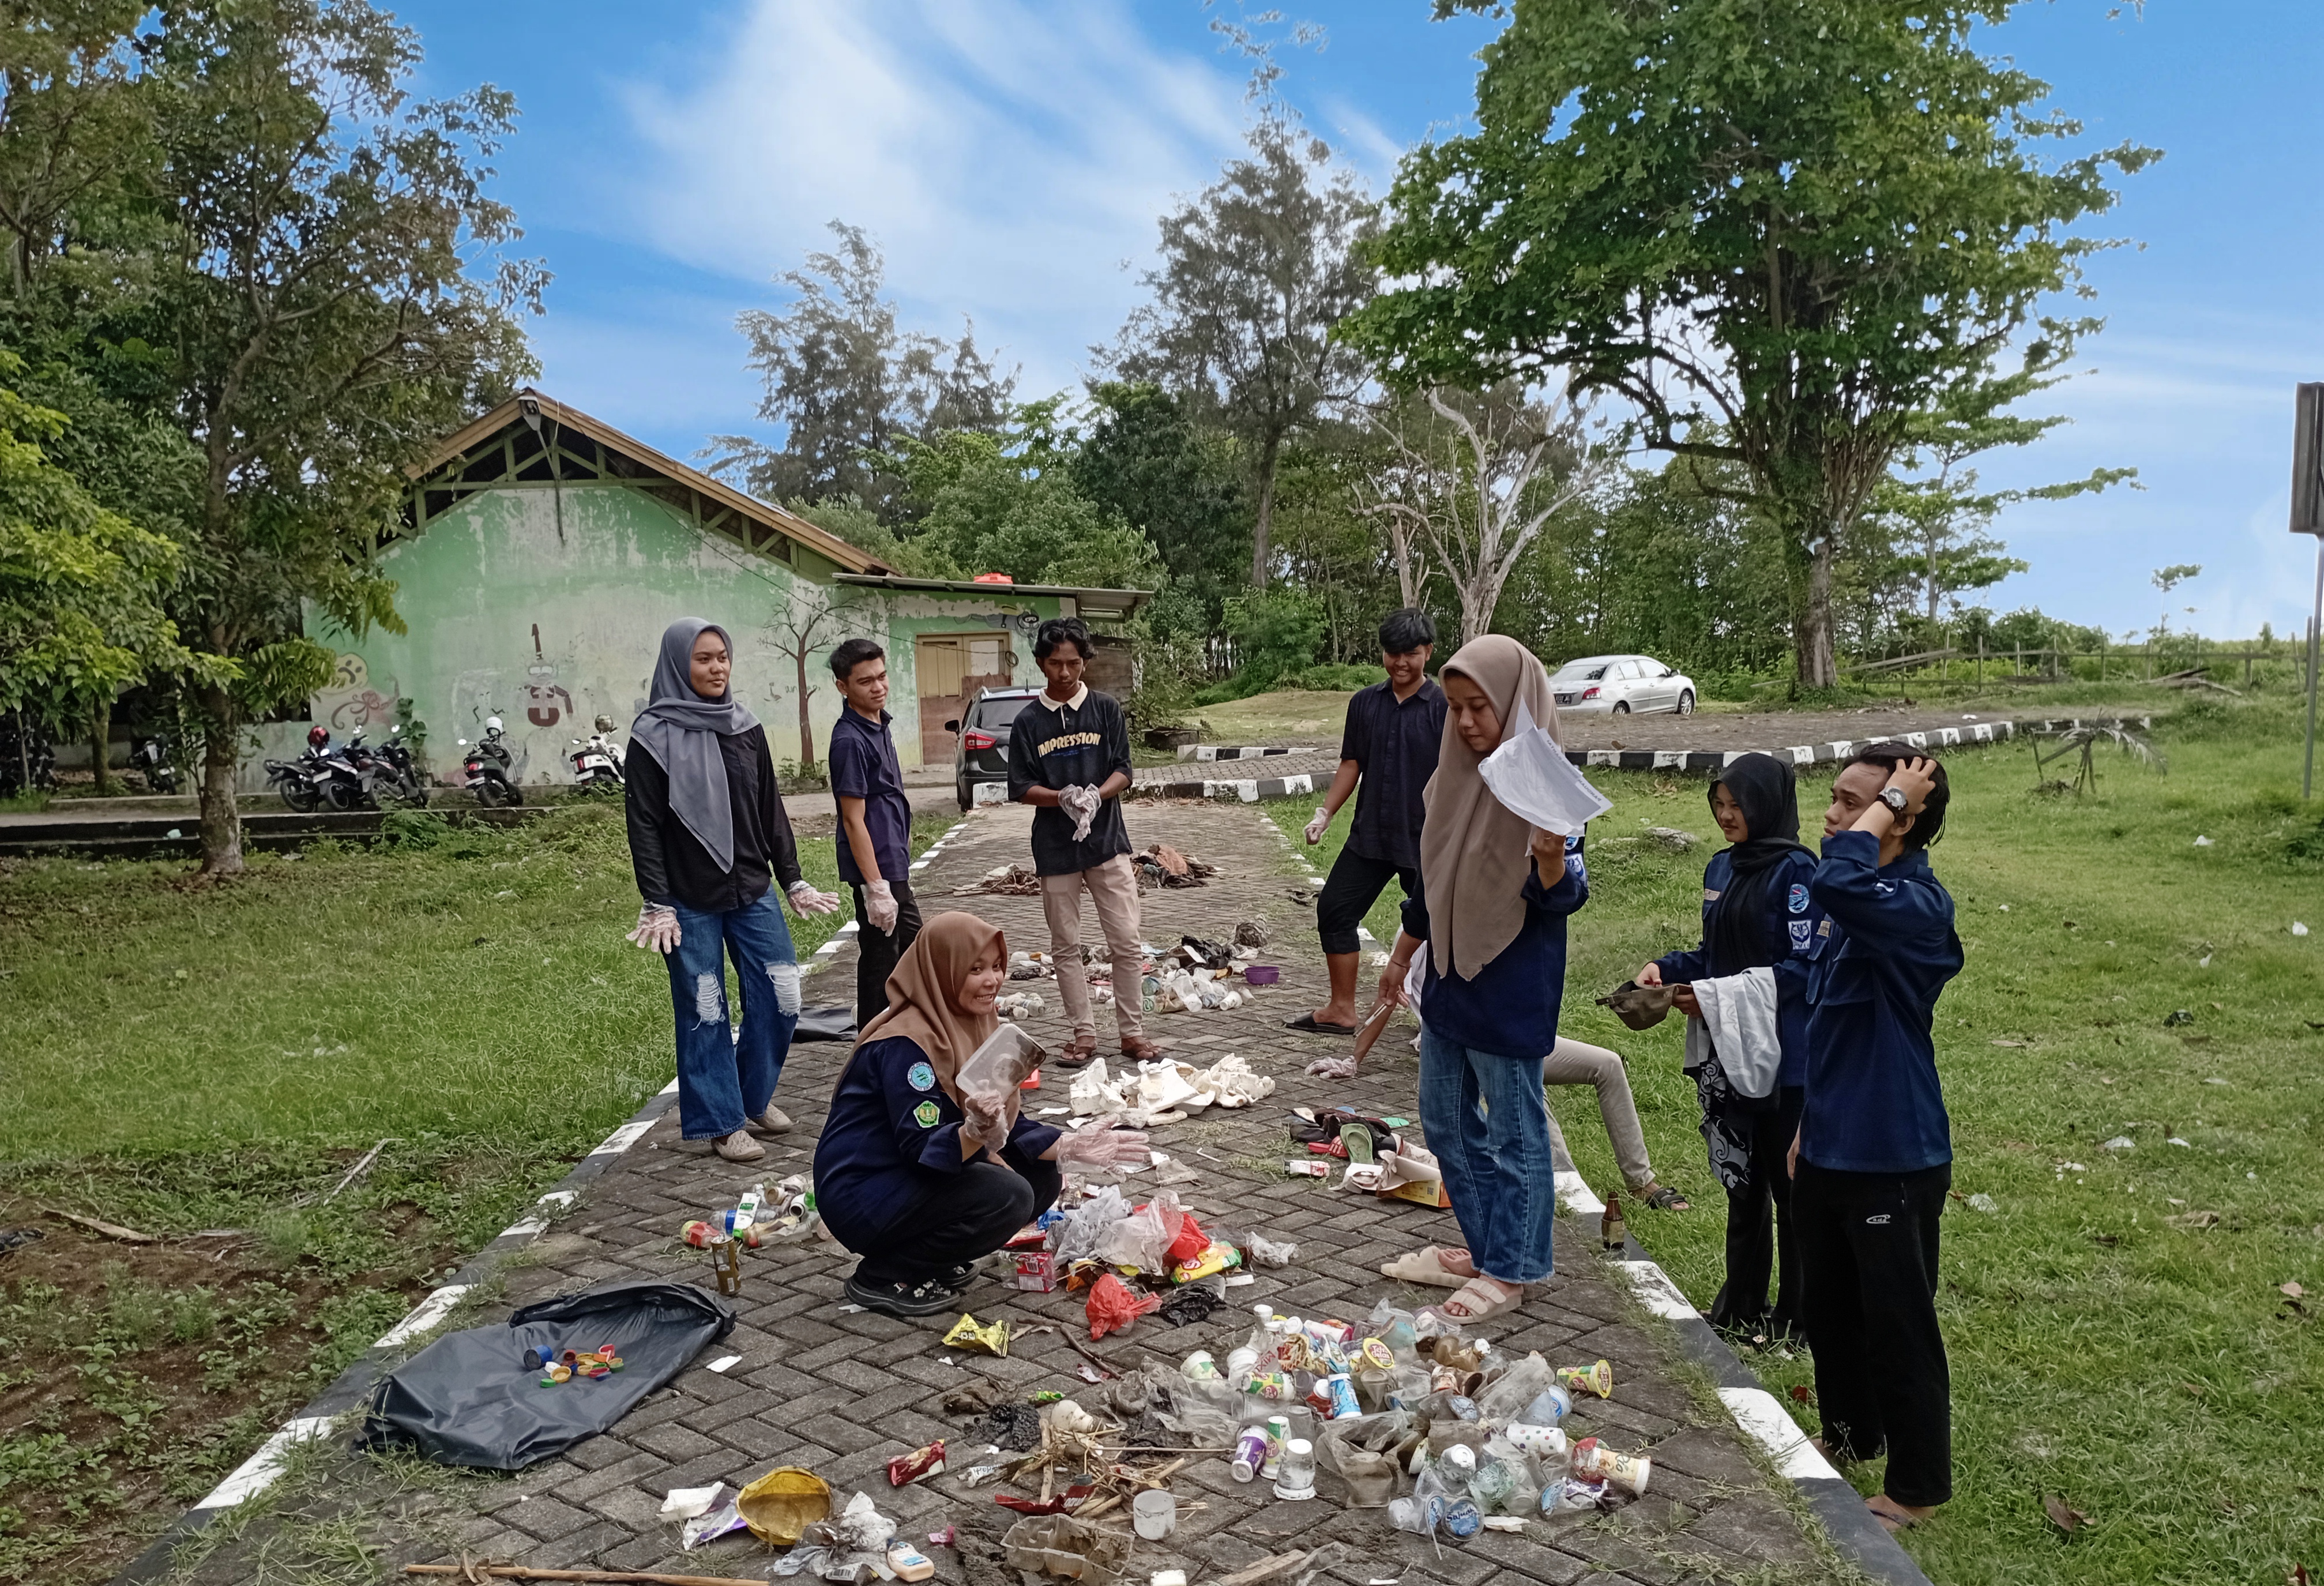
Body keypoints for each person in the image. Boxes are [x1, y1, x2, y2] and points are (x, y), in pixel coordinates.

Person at [1371, 635, 1587, 1325]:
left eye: (1480, 708)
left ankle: (1515, 1268)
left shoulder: (1544, 781)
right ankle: (1489, 1243)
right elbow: (1431, 883)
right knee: (1442, 1118)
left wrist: (1550, 857)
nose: (1464, 722)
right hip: (1449, 976)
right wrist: (1403, 954)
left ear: (1518, 704)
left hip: (1510, 978)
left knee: (1513, 1131)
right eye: (1456, 708)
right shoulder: (1455, 774)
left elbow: (1565, 894)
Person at [814, 912, 1151, 1317]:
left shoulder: (978, 1025)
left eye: (996, 966)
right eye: (975, 969)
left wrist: (1073, 1146)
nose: (992, 980)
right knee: (1005, 1195)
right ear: (943, 969)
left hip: (909, 1177)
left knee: (1042, 1176)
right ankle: (885, 1275)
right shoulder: (905, 1046)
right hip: (866, 1189)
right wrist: (975, 1130)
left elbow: (1007, 1126)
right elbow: (922, 1146)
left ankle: (930, 1256)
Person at [1787, 745, 1960, 1533]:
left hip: (1891, 1150)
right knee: (1828, 1308)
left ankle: (1916, 1486)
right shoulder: (1854, 901)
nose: (1832, 815)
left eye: (1851, 802)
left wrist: (1892, 798)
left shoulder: (1914, 905)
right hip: (1829, 1142)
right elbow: (1829, 1031)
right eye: (1834, 799)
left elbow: (1835, 874)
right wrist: (1805, 1126)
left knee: (1897, 1323)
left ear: (1900, 817)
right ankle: (1850, 1435)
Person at [624, 618, 843, 1163]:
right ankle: (721, 1122)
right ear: (679, 664)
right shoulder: (651, 736)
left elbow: (769, 806)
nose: (717, 667)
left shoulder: (745, 725)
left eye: (723, 656)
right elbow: (644, 825)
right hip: (688, 900)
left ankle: (751, 1097)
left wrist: (791, 876)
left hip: (751, 886)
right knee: (706, 1008)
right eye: (703, 659)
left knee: (784, 994)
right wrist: (657, 901)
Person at [1639, 752, 1818, 1335]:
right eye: (1718, 803)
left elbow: (1801, 968)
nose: (1725, 815)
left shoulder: (1799, 874)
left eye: (1736, 804)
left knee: (1790, 1195)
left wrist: (1714, 994)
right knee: (1742, 1186)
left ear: (1767, 803)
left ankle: (1794, 1316)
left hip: (1783, 1056)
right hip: (1730, 1053)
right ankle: (1740, 1306)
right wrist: (1664, 969)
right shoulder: (1721, 868)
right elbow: (1713, 951)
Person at [1288, 608, 1446, 1036]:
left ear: (1427, 652)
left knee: (1442, 930)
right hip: (1372, 835)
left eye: (1410, 653)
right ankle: (1342, 1009)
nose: (1400, 662)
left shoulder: (1445, 708)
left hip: (1426, 842)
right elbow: (1351, 764)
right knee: (1335, 910)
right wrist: (1325, 813)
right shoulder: (1364, 704)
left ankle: (1441, 1021)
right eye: (1392, 653)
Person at [1006, 618, 1155, 1067]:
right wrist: (1062, 798)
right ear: (1040, 663)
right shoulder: (1029, 722)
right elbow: (1019, 786)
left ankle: (1132, 1033)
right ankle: (1084, 1034)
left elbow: (1124, 770)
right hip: (1055, 849)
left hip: (1107, 842)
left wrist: (1095, 795)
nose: (1065, 673)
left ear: (1085, 663)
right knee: (1065, 945)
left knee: (1127, 942)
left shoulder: (1106, 710)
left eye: (1073, 663)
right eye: (1055, 664)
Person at [826, 637, 921, 1028]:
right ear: (843, 687)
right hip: (875, 868)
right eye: (866, 682)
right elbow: (853, 819)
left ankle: (904, 1032)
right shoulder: (849, 740)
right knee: (883, 959)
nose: (878, 687)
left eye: (882, 677)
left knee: (910, 948)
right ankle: (870, 1047)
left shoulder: (879, 725)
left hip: (892, 858)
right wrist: (875, 888)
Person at [1541, 1037, 1690, 1213]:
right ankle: (1566, 1185)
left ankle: (1640, 1183)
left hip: (1533, 1035)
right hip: (1505, 1044)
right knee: (1529, 1081)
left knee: (1608, 1065)